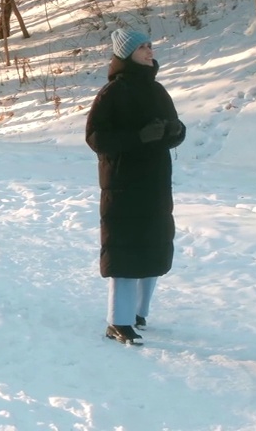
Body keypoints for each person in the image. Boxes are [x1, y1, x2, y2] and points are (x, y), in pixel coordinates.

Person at [84, 27, 186, 345]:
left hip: (155, 184)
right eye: (142, 47)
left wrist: (172, 130)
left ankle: (139, 313)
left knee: (153, 247)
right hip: (123, 185)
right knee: (125, 251)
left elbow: (178, 131)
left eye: (150, 45)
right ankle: (119, 321)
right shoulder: (111, 93)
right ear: (127, 53)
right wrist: (138, 138)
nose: (149, 50)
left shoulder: (158, 91)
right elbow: (95, 138)